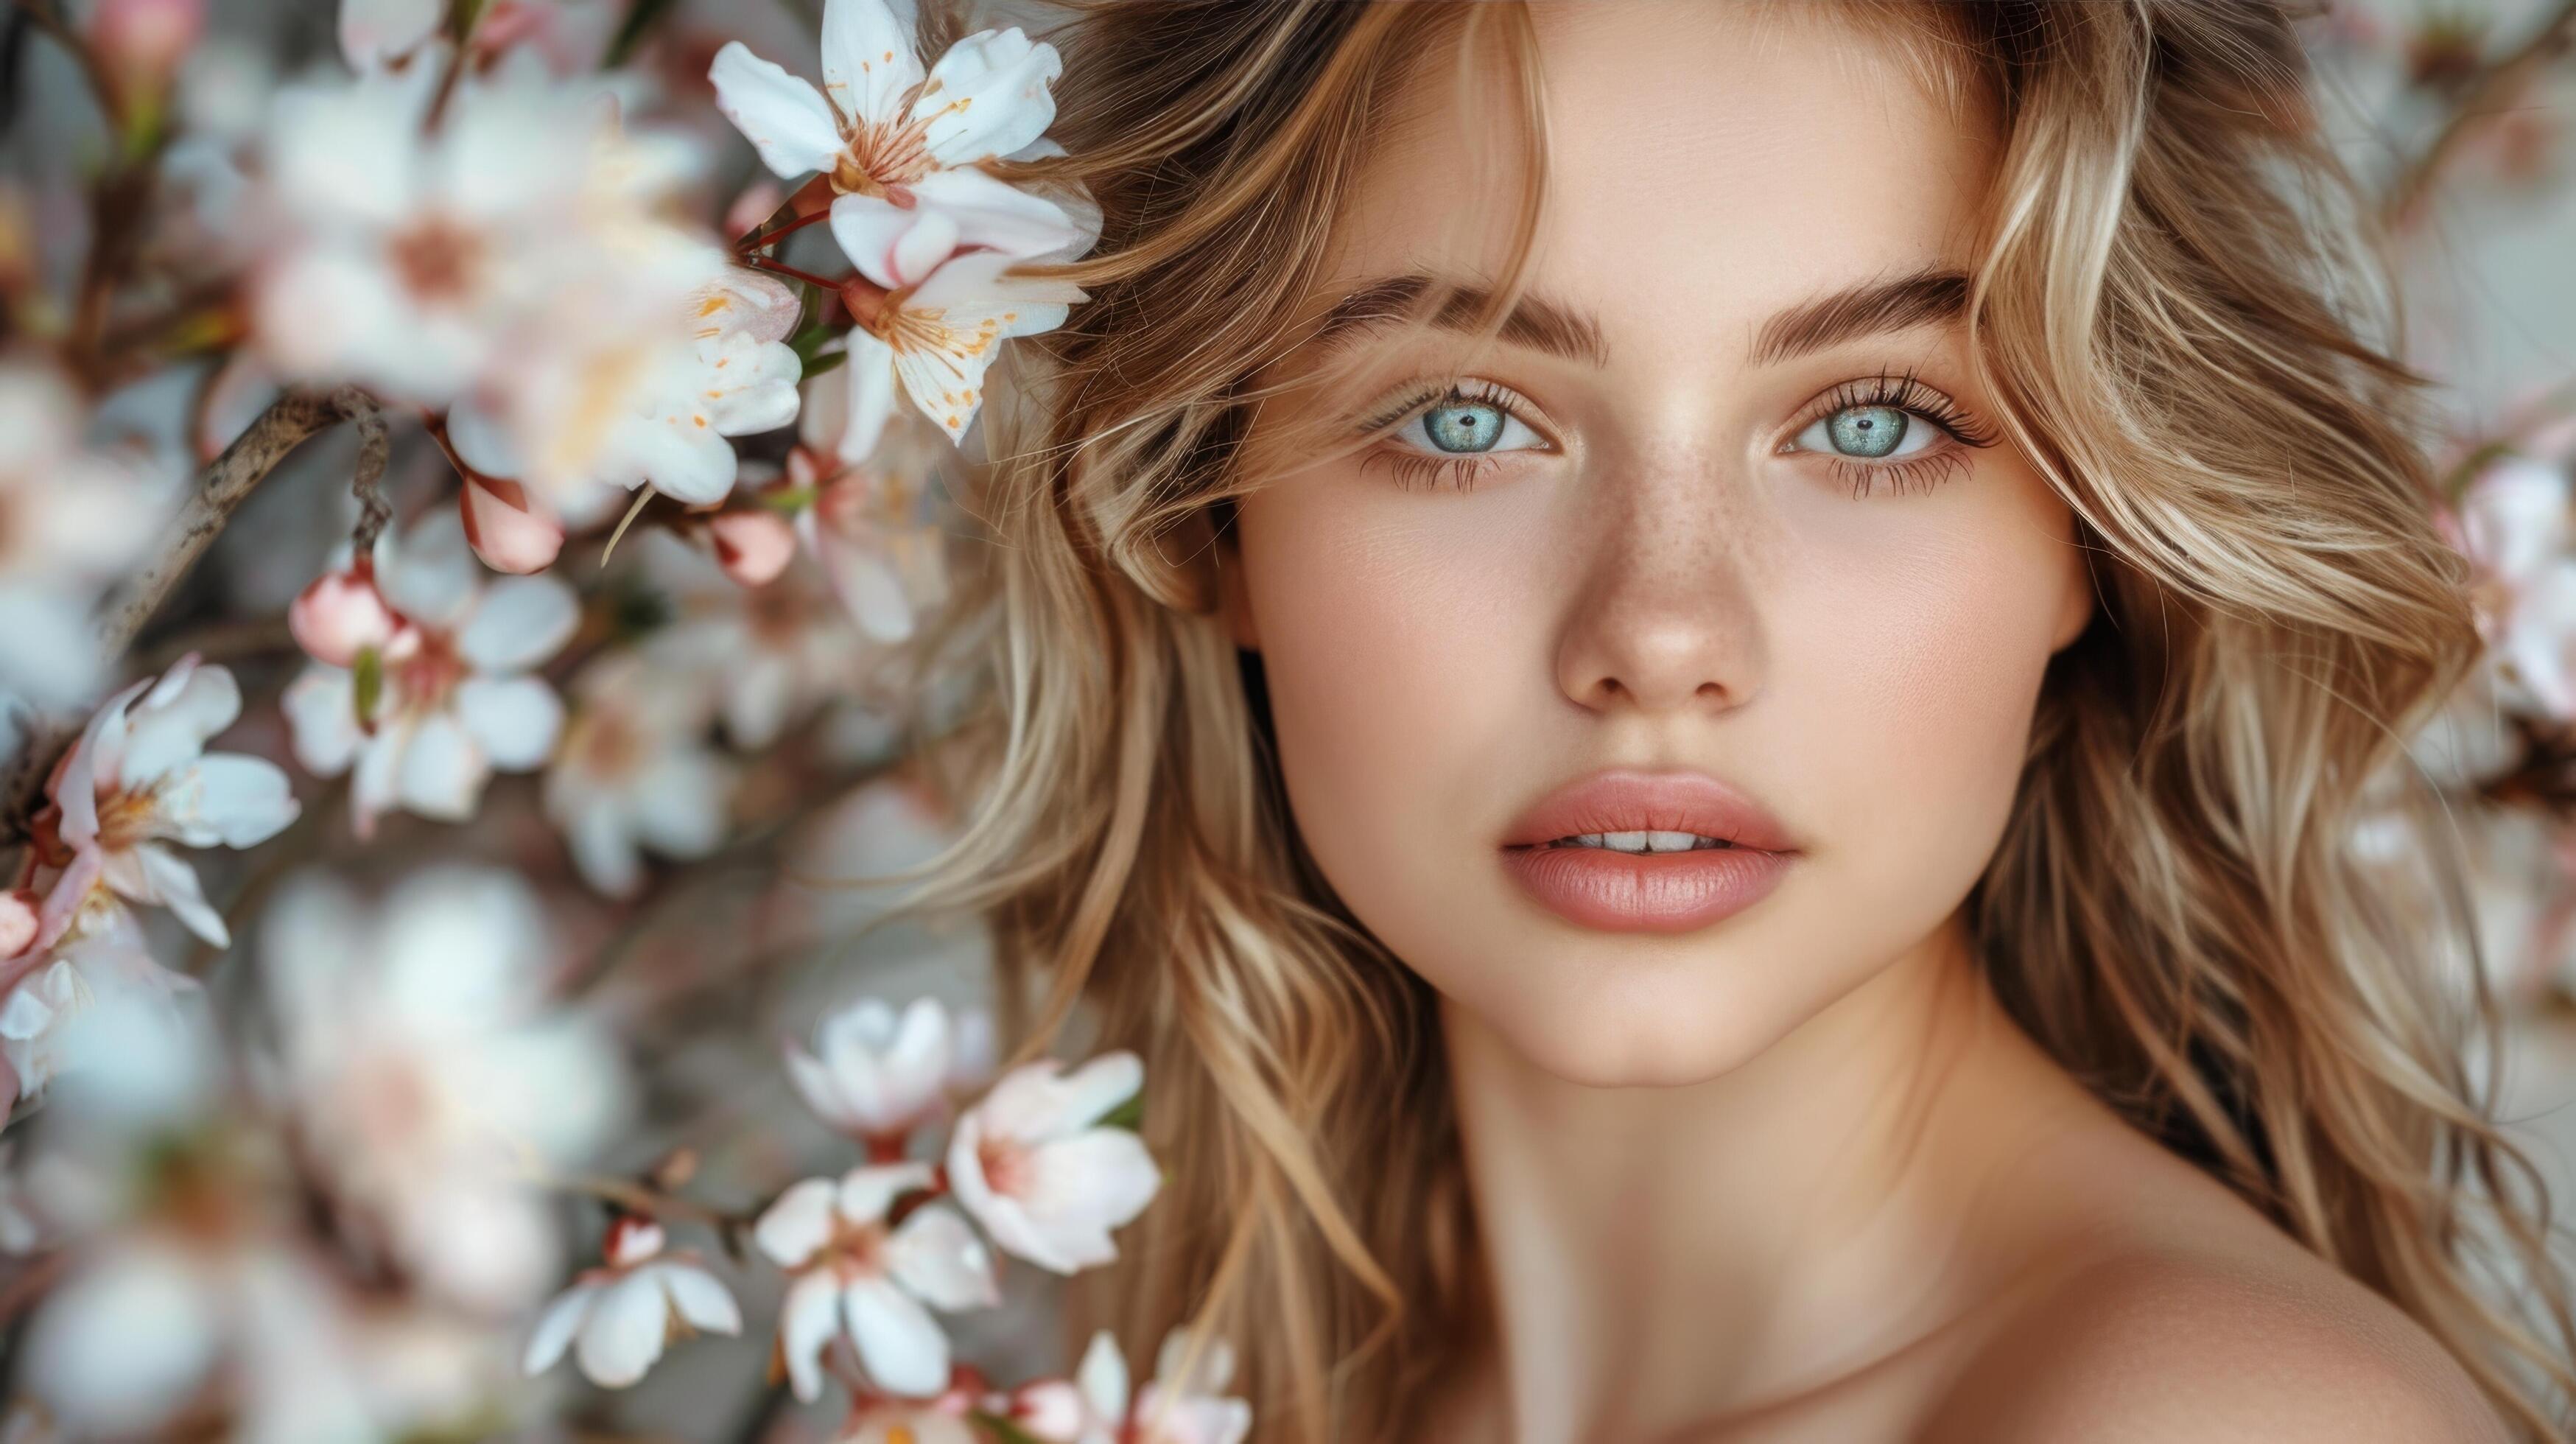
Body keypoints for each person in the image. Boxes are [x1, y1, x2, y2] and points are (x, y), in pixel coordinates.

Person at [911, 1, 2576, 1437]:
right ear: (1211, 514)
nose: (1661, 634)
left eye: (1868, 422)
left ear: (2095, 530)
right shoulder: (1222, 1379)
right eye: (1467, 413)